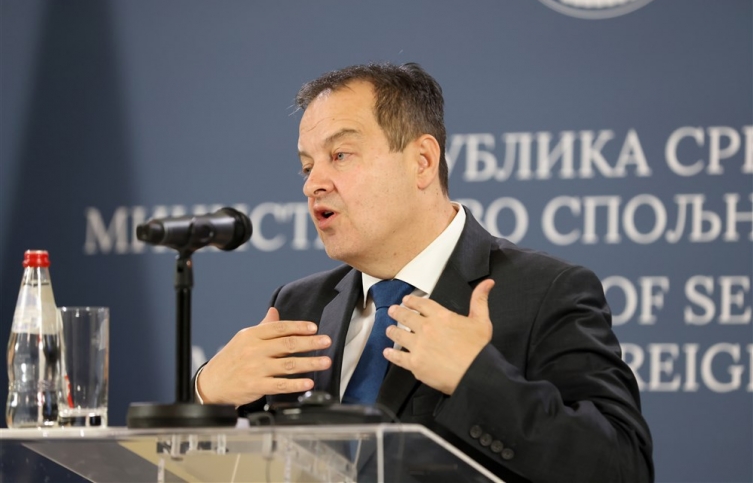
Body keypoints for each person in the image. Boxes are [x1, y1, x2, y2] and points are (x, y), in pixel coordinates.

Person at [195, 62, 654, 482]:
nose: (313, 184)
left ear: (422, 162)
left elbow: (623, 468)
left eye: (340, 155)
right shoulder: (298, 306)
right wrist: (208, 396)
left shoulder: (545, 292)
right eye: (306, 166)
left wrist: (475, 378)